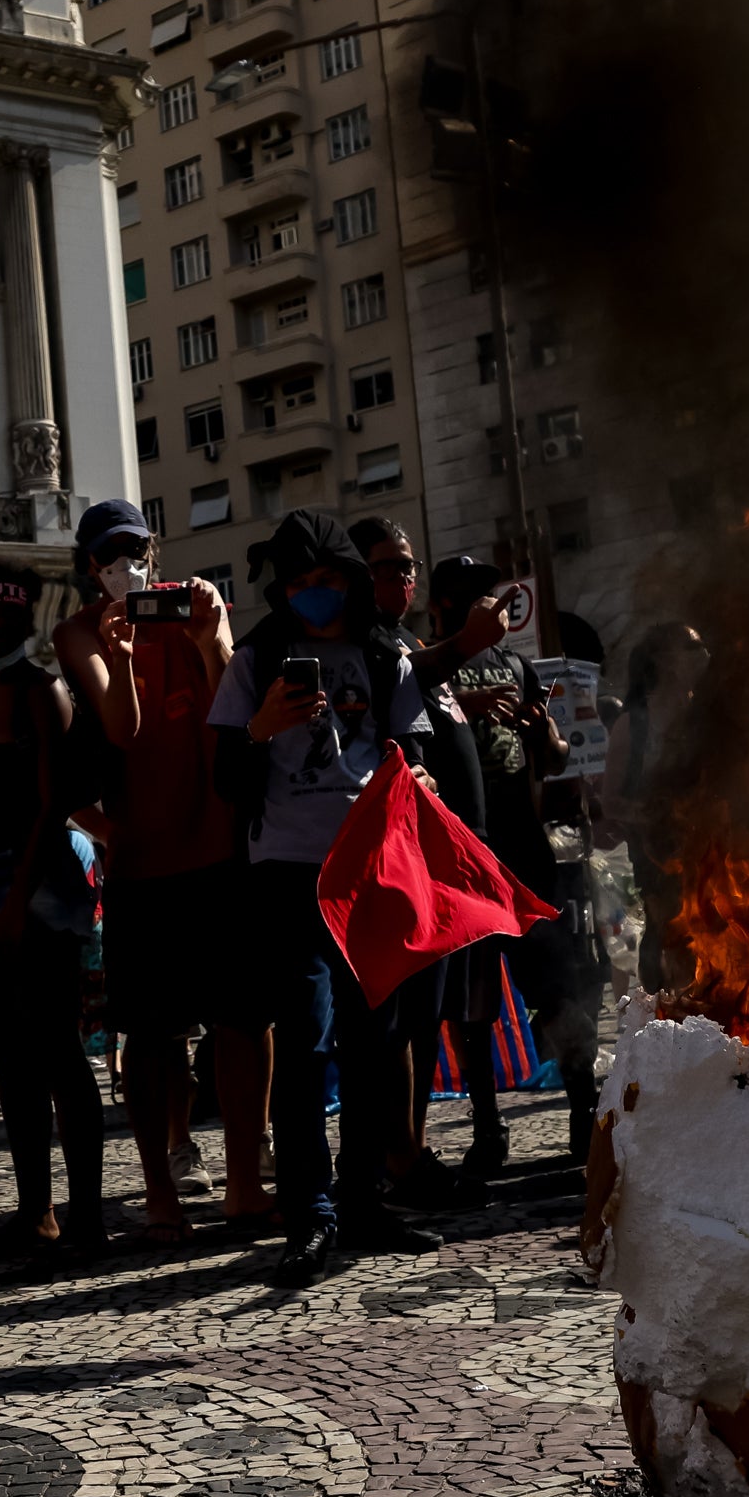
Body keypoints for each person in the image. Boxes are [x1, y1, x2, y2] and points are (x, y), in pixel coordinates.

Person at [211, 508, 519, 1284]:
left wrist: (418, 776)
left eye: (328, 580)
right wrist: (258, 729)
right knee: (306, 1043)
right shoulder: (254, 660)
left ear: (350, 579)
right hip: (288, 876)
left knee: (372, 1044)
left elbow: (414, 749)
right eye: (299, 584)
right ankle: (310, 1217)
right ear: (280, 591)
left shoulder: (386, 657)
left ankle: (364, 1202)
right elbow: (221, 779)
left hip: (371, 874)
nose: (316, 594)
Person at [57, 500, 253, 1240]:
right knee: (148, 1032)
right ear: (89, 567)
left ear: (156, 552)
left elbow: (235, 706)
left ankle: (243, 1179)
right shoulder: (81, 632)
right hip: (142, 862)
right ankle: (162, 1189)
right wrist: (127, 654)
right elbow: (124, 730)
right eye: (110, 558)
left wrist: (209, 639)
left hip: (219, 846)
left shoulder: (199, 604)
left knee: (239, 1018)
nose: (127, 569)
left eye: (136, 552)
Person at [0, 557, 112, 1266]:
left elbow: (52, 804)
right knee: (11, 1056)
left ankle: (88, 1218)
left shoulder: (43, 694)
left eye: (12, 614)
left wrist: (16, 904)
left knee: (58, 1052)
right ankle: (34, 1212)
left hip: (37, 885)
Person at [417, 554, 568, 1190]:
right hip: (467, 856)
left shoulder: (520, 665)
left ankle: (584, 1116)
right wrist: (468, 708)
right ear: (447, 605)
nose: (492, 606)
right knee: (472, 1005)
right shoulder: (429, 663)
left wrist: (540, 733)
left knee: (554, 983)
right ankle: (488, 1131)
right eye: (475, 596)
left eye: (494, 595)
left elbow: (555, 756)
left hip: (525, 851)